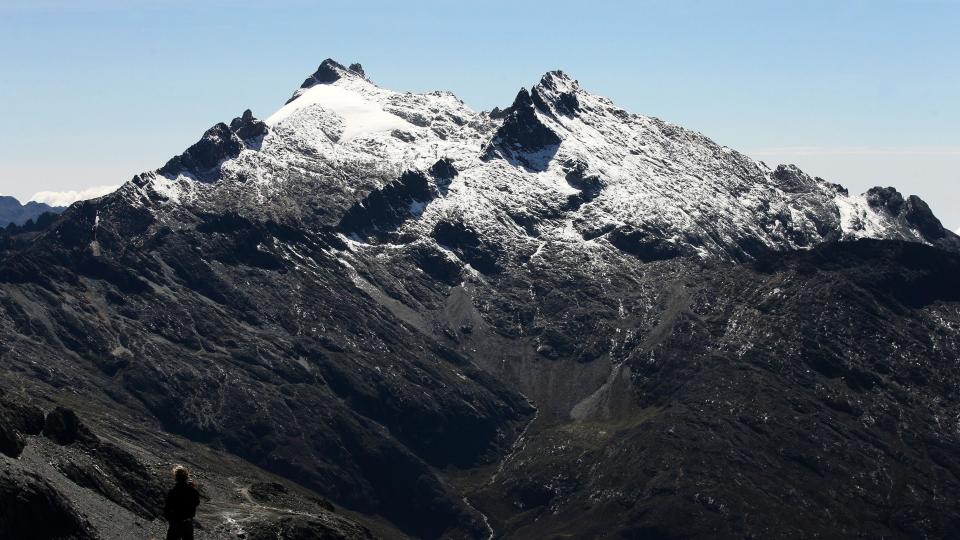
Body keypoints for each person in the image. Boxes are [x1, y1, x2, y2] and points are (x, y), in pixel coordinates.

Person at [163, 465, 200, 540]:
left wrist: (171, 520)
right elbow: (196, 502)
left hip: (175, 523)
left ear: (176, 477)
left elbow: (166, 509)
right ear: (186, 477)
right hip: (187, 523)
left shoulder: (172, 492)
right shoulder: (192, 491)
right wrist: (193, 489)